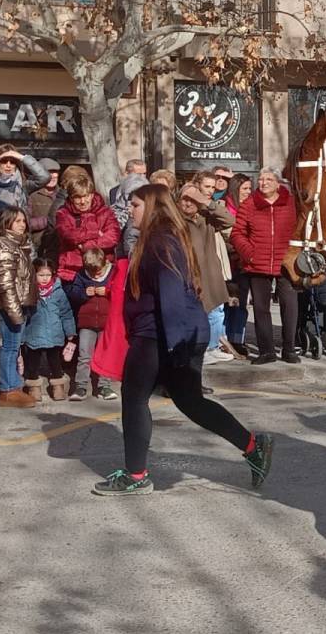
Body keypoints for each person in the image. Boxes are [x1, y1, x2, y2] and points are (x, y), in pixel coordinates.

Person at [91, 184, 273, 497]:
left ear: (151, 207)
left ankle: (136, 476)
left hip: (162, 334)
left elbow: (171, 293)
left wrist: (176, 344)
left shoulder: (159, 242)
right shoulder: (161, 238)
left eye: (135, 205)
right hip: (176, 331)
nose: (130, 210)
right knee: (190, 400)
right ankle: (254, 447)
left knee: (134, 398)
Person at [231, 168, 300, 365]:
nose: (264, 182)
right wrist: (249, 253)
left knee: (290, 306)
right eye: (260, 179)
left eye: (269, 179)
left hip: (286, 263)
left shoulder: (291, 203)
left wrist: (295, 254)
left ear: (278, 183)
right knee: (261, 308)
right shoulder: (249, 203)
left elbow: (302, 230)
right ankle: (266, 351)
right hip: (256, 264)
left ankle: (289, 349)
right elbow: (237, 233)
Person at [178, 179, 236, 365]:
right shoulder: (176, 220)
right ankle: (195, 350)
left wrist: (206, 202)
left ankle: (210, 347)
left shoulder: (206, 217)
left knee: (214, 312)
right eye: (184, 199)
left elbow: (229, 220)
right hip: (188, 275)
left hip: (209, 275)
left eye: (191, 199)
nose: (187, 203)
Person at [0, 208, 37, 407]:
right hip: (10, 305)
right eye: (17, 221)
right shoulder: (3, 245)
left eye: (24, 220)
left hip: (18, 303)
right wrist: (14, 312)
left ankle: (13, 385)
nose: (22, 224)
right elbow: (5, 284)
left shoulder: (17, 244)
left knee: (13, 346)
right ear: (6, 223)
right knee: (10, 346)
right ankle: (8, 390)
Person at [20, 257, 76, 401]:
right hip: (34, 334)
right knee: (33, 363)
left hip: (54, 334)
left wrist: (70, 331)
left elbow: (66, 312)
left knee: (55, 363)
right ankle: (34, 387)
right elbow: (23, 316)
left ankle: (58, 386)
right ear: (34, 275)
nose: (45, 279)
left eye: (48, 275)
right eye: (41, 275)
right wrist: (21, 337)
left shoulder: (58, 291)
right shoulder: (29, 292)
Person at [66, 246, 118, 400]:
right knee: (84, 355)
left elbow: (121, 291)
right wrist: (83, 293)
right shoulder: (81, 275)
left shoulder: (113, 272)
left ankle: (104, 386)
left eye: (99, 272)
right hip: (87, 323)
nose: (96, 275)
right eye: (93, 273)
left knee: (105, 355)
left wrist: (108, 292)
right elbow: (73, 294)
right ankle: (80, 387)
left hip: (106, 322)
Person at [54, 172, 120, 284]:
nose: (83, 202)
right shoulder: (63, 213)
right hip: (72, 271)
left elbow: (113, 237)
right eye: (78, 198)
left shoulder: (105, 212)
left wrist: (87, 245)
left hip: (101, 270)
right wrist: (96, 233)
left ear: (92, 194)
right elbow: (68, 235)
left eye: (86, 196)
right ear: (70, 198)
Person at [222, 174, 253, 357]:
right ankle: (223, 338)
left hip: (244, 262)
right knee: (226, 302)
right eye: (244, 189)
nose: (248, 193)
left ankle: (237, 339)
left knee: (241, 303)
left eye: (250, 189)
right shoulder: (225, 207)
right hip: (228, 261)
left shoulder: (251, 208)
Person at [0, 144, 51, 230]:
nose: (8, 165)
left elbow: (45, 177)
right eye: (4, 161)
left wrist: (22, 158)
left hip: (19, 237)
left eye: (12, 162)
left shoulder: (22, 185)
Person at [28, 158, 60, 255]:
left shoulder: (64, 195)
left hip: (61, 246)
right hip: (40, 248)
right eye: (48, 172)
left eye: (54, 172)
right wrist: (47, 221)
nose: (52, 176)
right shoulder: (31, 196)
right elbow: (25, 223)